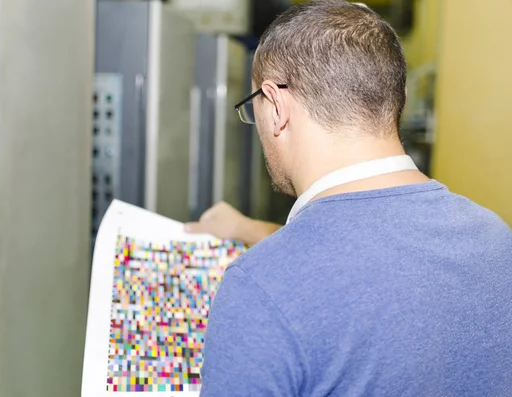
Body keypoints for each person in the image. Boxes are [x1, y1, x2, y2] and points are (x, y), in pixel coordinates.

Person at [193, 1, 512, 396]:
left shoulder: (258, 290)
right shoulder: (496, 240)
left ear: (276, 106)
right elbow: (382, 262)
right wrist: (246, 229)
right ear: (398, 96)